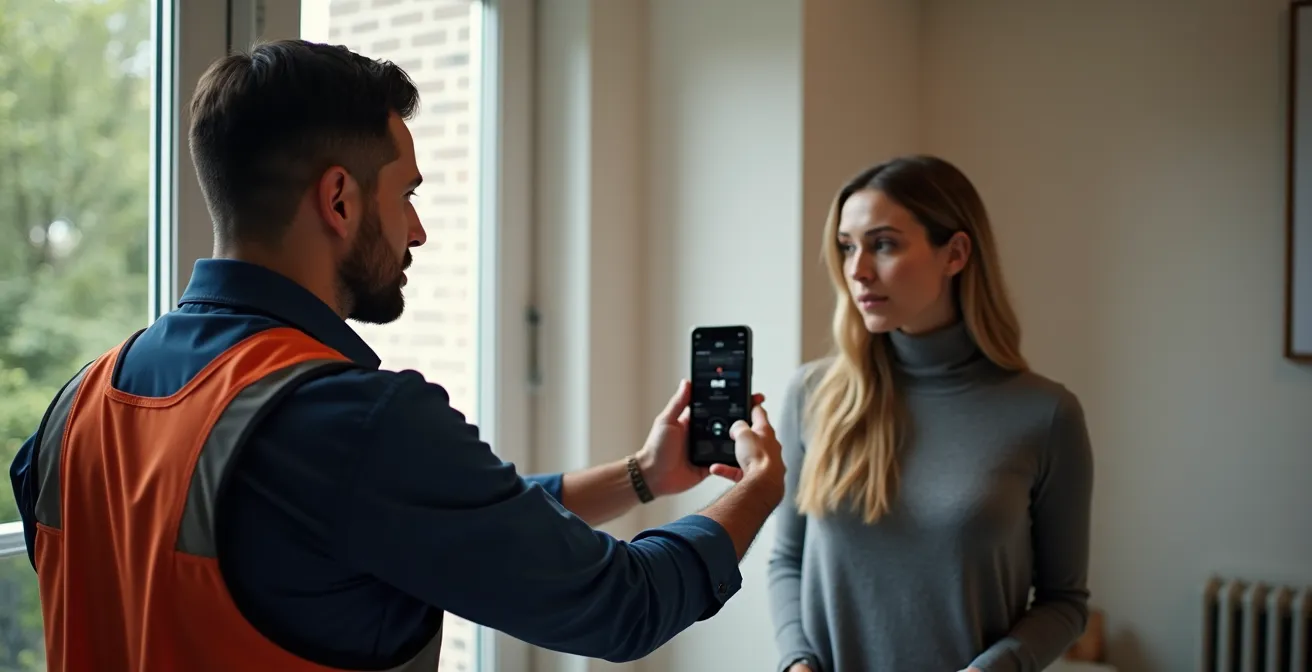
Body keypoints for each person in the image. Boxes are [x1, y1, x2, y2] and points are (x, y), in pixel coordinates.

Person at [8, 40, 786, 672]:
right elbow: (626, 604)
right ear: (339, 199)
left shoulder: (75, 404)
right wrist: (754, 492)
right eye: (407, 194)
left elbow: (418, 522)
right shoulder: (355, 423)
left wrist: (641, 477)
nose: (417, 232)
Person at [767, 155, 1093, 672]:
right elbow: (787, 560)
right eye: (847, 247)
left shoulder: (1047, 415)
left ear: (956, 253)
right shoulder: (813, 395)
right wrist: (797, 662)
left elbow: (1065, 602)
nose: (857, 270)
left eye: (884, 244)